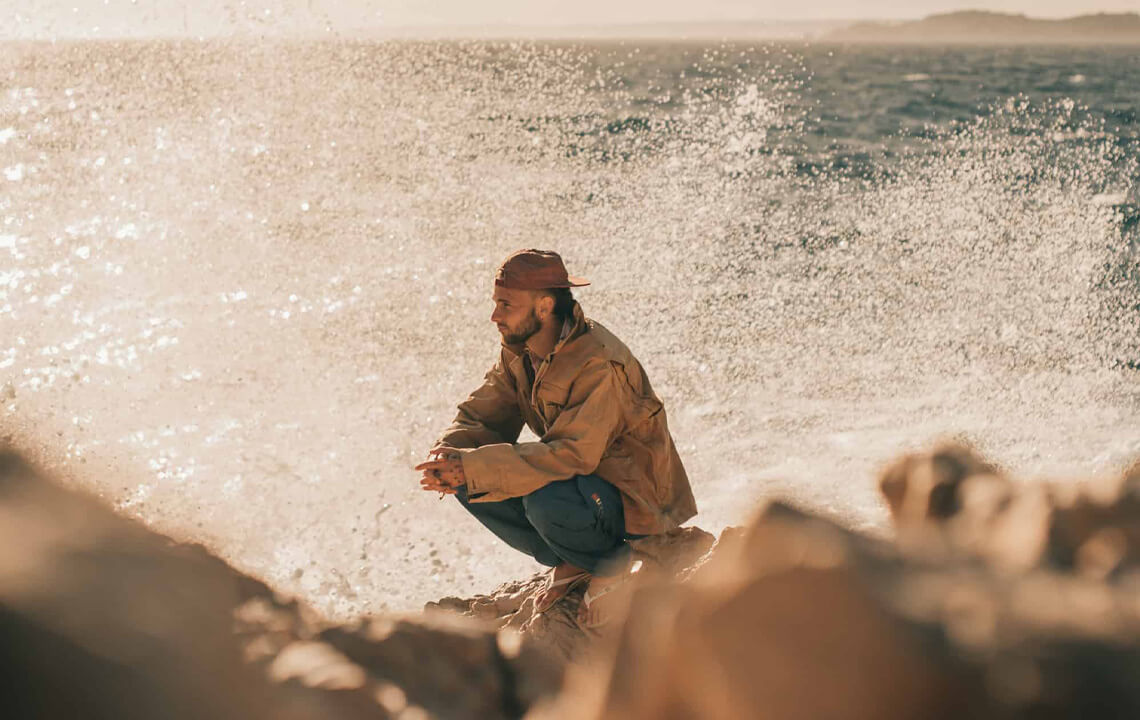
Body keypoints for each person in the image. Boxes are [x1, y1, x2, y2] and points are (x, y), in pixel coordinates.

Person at [415, 249, 696, 628]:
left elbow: (572, 456)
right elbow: (483, 413)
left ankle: (609, 566)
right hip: (588, 492)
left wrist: (473, 467)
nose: (494, 315)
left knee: (539, 494)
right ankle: (576, 561)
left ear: (545, 306)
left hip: (634, 504)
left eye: (505, 304)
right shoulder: (522, 352)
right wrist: (449, 453)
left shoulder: (597, 361)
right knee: (467, 476)